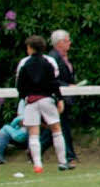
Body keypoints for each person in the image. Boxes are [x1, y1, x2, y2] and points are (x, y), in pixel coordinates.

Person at [16, 35, 71, 173]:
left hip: (31, 101)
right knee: (56, 130)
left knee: (33, 133)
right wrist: (59, 99)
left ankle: (38, 164)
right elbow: (54, 82)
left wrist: (24, 98)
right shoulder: (49, 62)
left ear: (30, 48)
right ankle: (63, 162)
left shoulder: (24, 63)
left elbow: (19, 85)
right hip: (47, 99)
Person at [46, 29, 77, 164]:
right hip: (57, 97)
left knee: (56, 127)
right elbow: (50, 78)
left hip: (66, 96)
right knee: (62, 126)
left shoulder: (64, 58)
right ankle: (70, 156)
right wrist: (67, 86)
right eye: (66, 40)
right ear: (59, 43)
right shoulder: (52, 58)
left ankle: (35, 149)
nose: (69, 43)